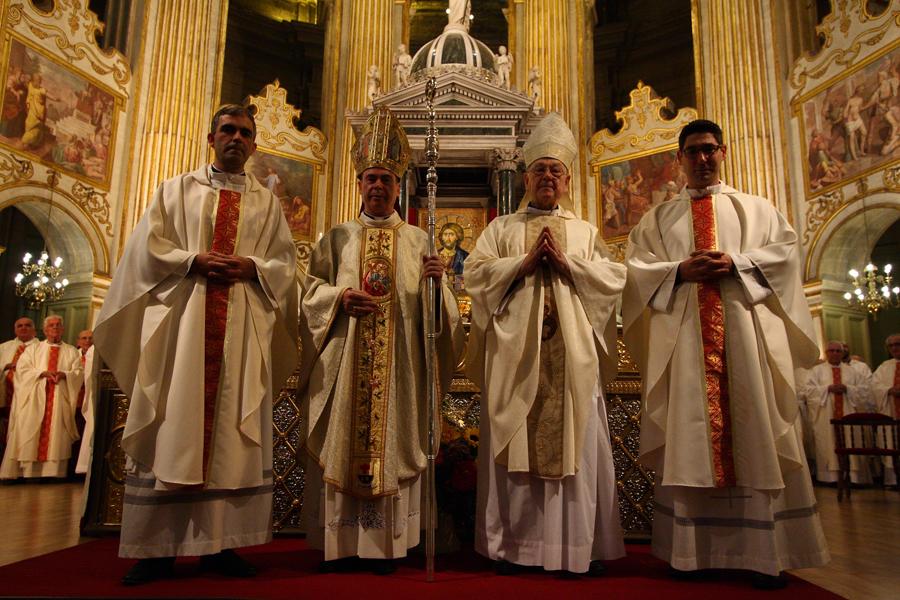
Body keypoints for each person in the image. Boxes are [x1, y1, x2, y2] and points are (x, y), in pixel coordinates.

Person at [93, 104, 298, 585]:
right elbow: (145, 250)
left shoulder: (267, 204)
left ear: (254, 145)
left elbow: (286, 265)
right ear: (211, 138)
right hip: (183, 327)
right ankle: (156, 550)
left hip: (241, 330)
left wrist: (253, 267)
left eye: (245, 133)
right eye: (228, 130)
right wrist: (191, 260)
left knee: (229, 436)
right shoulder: (175, 190)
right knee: (172, 427)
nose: (237, 139)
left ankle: (221, 546)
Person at [622, 119, 829, 589]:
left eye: (709, 149)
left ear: (723, 152)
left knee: (756, 429)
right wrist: (679, 270)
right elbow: (636, 271)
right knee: (689, 438)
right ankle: (691, 555)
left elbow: (786, 255)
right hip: (687, 348)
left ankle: (764, 557)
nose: (702, 158)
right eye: (693, 151)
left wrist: (737, 262)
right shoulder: (657, 219)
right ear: (679, 158)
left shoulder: (756, 209)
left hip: (746, 343)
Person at [298, 106, 463, 575]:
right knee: (344, 444)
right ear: (359, 184)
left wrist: (437, 287)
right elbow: (307, 294)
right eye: (370, 178)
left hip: (399, 374)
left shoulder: (418, 241)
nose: (377, 186)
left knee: (392, 444)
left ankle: (385, 549)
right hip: (346, 366)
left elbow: (440, 321)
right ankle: (341, 545)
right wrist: (338, 298)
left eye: (386, 179)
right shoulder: (336, 239)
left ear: (398, 186)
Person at [466, 113, 626, 576]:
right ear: (525, 178)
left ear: (568, 179)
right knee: (515, 446)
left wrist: (569, 265)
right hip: (516, 362)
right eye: (539, 170)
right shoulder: (501, 229)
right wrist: (521, 265)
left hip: (571, 361)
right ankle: (513, 549)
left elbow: (614, 278)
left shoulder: (585, 232)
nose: (548, 177)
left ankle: (575, 547)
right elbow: (474, 273)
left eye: (556, 170)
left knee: (577, 448)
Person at [0, 316, 82, 480]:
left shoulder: (71, 350)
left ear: (63, 329)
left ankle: (52, 473)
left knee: (56, 433)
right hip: (34, 398)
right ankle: (28, 472)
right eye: (51, 325)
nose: (55, 328)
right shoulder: (33, 349)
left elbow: (78, 371)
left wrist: (65, 374)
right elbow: (22, 369)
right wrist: (41, 373)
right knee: (29, 429)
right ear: (45, 330)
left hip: (59, 397)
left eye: (58, 325)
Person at [805, 341, 872, 484]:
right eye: (831, 351)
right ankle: (831, 477)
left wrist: (848, 389)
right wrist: (827, 389)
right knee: (828, 443)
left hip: (849, 415)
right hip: (826, 415)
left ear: (842, 353)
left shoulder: (852, 371)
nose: (835, 353)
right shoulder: (816, 371)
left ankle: (854, 477)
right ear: (826, 353)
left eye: (838, 351)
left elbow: (865, 391)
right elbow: (808, 391)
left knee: (851, 441)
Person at [0, 318, 39, 458]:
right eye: (20, 326)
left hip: (28, 395)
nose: (23, 328)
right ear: (15, 330)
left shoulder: (40, 348)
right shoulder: (4, 347)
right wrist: (6, 366)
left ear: (34, 329)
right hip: (5, 393)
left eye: (27, 325)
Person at [871, 333, 900, 486]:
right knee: (891, 444)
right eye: (891, 346)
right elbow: (874, 387)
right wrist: (889, 390)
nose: (895, 348)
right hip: (890, 412)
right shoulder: (884, 367)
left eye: (898, 344)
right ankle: (893, 480)